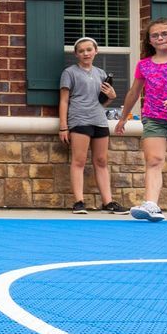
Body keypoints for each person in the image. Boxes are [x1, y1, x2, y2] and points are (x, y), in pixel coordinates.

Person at [114, 18, 167, 221]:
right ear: (149, 41)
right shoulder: (144, 65)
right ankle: (151, 204)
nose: (160, 38)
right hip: (153, 118)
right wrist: (123, 118)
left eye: (165, 33)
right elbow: (134, 92)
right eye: (155, 35)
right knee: (154, 160)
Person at [57, 37, 119, 214]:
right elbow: (63, 100)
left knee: (101, 161)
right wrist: (63, 126)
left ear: (95, 51)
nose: (85, 53)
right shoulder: (69, 73)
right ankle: (79, 201)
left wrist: (112, 97)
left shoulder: (101, 73)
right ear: (76, 54)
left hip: (99, 120)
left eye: (89, 50)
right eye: (81, 50)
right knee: (79, 160)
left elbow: (100, 103)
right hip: (79, 119)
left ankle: (108, 202)